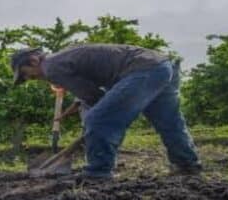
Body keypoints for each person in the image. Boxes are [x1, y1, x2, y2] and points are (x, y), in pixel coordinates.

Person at [11, 44, 201, 179]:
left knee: (98, 119)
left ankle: (98, 172)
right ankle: (187, 165)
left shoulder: (50, 67)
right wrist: (83, 106)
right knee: (169, 122)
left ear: (34, 60)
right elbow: (90, 91)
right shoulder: (62, 57)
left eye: (27, 74)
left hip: (140, 70)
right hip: (160, 66)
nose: (31, 78)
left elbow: (93, 96)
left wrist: (95, 121)